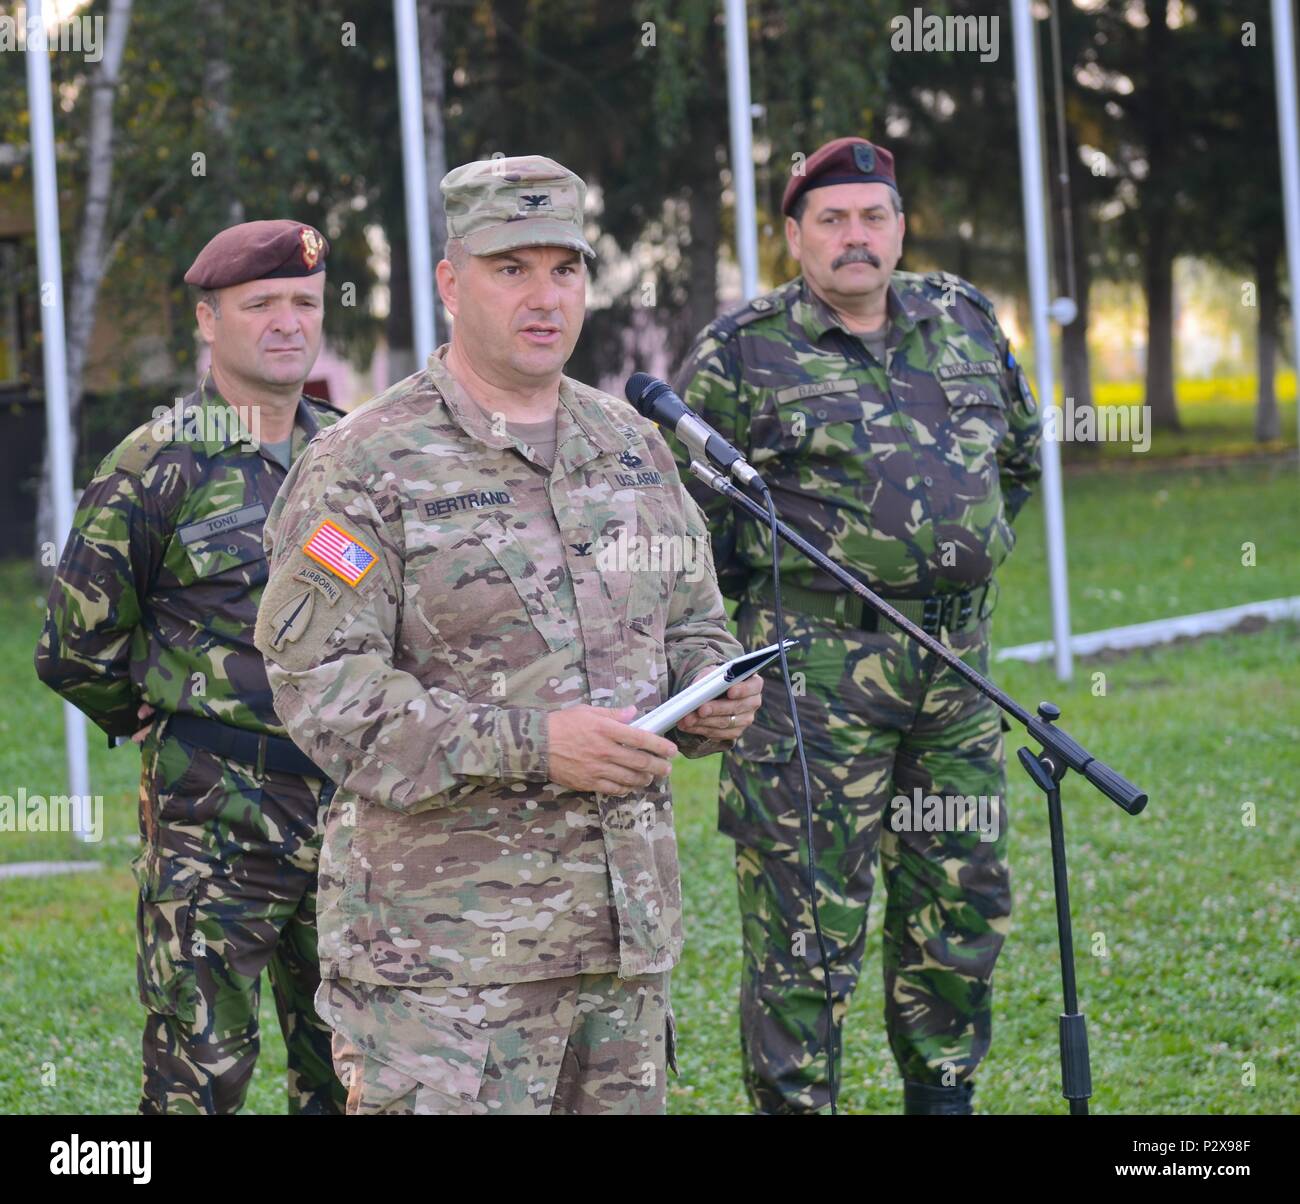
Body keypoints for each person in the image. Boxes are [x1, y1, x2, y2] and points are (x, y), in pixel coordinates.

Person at [253, 155, 761, 1116]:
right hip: (447, 973)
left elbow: (694, 619)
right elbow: (325, 691)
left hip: (623, 948)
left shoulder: (632, 446)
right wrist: (536, 746)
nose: (545, 297)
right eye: (510, 268)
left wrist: (712, 690)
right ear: (451, 282)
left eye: (564, 268)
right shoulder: (364, 467)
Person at [672, 136, 1043, 1114]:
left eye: (872, 216)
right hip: (812, 681)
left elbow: (1019, 457)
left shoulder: (961, 319)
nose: (854, 237)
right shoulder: (741, 351)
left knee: (959, 897)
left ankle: (943, 1095)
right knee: (804, 924)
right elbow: (679, 524)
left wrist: (954, 559)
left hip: (954, 670)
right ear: (792, 235)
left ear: (900, 227)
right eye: (830, 219)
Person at [35, 219, 347, 1115]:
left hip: (350, 817)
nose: (288, 322)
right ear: (209, 322)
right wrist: (152, 711)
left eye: (305, 303)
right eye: (261, 305)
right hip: (213, 826)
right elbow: (73, 644)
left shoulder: (351, 459)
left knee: (357, 1069)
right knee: (195, 1078)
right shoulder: (158, 461)